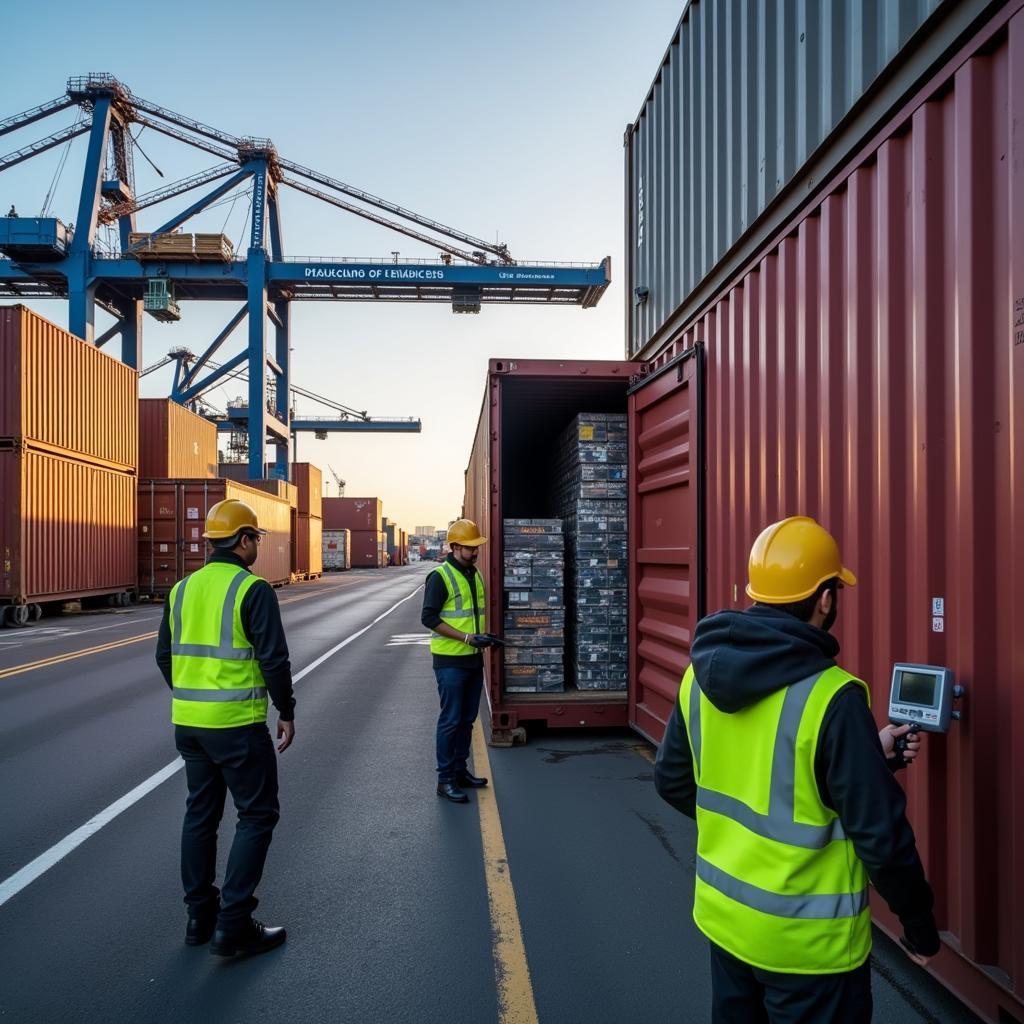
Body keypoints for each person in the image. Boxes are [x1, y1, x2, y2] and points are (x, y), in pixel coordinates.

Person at [655, 516, 939, 1023]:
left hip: (727, 925)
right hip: (810, 950)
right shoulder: (835, 696)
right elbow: (882, 838)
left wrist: (861, 758)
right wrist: (918, 926)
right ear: (825, 598)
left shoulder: (700, 675)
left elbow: (674, 781)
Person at [155, 498, 295, 957]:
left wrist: (194, 692)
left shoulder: (181, 589)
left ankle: (200, 917)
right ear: (242, 540)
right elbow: (273, 658)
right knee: (257, 815)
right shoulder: (251, 589)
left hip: (189, 725)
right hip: (237, 725)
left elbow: (164, 656)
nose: (257, 544)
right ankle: (234, 924)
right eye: (255, 537)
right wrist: (286, 710)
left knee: (200, 816)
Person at [421, 519, 497, 803]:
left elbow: (470, 616)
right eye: (469, 548)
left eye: (476, 547)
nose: (474, 552)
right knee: (451, 720)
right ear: (454, 547)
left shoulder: (473, 574)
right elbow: (428, 618)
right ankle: (445, 780)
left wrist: (481, 638)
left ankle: (460, 770)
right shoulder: (439, 577)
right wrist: (466, 638)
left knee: (467, 720)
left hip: (472, 659)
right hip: (450, 661)